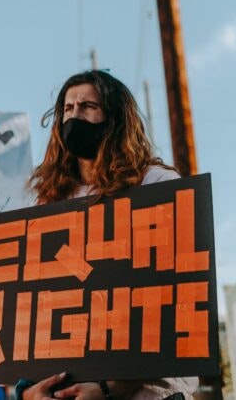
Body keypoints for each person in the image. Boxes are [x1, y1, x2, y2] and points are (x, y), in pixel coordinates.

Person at [18, 70, 196, 400]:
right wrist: (27, 391)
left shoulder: (156, 183)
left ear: (114, 117)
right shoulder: (48, 202)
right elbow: (37, 304)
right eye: (68, 109)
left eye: (88, 106)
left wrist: (111, 388)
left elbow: (172, 298)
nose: (75, 116)